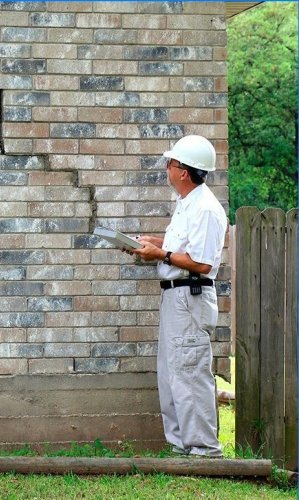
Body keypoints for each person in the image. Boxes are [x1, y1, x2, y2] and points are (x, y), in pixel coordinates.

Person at [130, 135, 227, 458]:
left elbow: (202, 262)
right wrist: (152, 243)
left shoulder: (206, 209)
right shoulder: (188, 204)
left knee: (189, 370)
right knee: (172, 372)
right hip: (176, 297)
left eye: (170, 163)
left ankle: (204, 449)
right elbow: (183, 246)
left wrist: (160, 254)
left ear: (184, 171)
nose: (167, 168)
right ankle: (181, 446)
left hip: (190, 295)